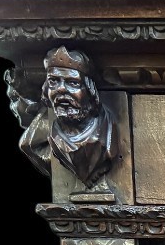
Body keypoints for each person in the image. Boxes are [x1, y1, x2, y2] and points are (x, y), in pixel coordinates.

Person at [41, 46, 117, 190]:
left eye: (72, 83)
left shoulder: (106, 129)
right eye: (53, 81)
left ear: (90, 90)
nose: (61, 89)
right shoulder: (53, 136)